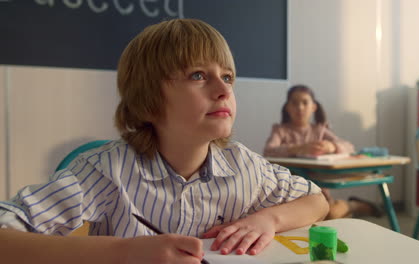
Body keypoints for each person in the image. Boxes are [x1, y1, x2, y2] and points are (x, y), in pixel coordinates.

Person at [0, 19, 329, 264]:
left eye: (227, 77)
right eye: (198, 75)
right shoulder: (107, 171)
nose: (224, 90)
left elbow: (316, 201)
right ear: (149, 99)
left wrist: (267, 219)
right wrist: (124, 252)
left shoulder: (243, 166)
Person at [264, 84, 382, 219]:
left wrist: (332, 146)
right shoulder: (280, 130)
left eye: (305, 103)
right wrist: (298, 148)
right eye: (294, 103)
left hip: (317, 191)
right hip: (287, 192)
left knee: (330, 214)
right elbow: (269, 151)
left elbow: (349, 147)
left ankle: (352, 205)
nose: (300, 107)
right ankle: (351, 205)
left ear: (313, 107)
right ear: (287, 107)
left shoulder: (319, 130)